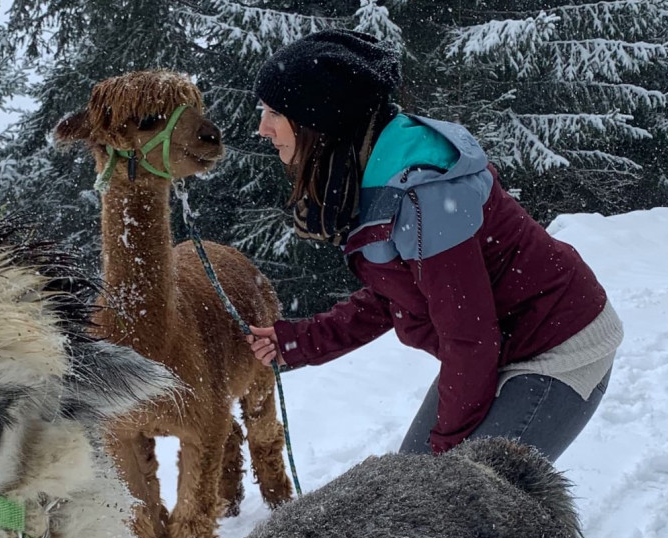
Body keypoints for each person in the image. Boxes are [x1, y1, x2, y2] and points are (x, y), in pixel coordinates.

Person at [245, 29, 623, 460]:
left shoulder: (420, 193)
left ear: (321, 121)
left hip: (558, 349)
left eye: (274, 112)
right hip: (497, 346)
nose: (262, 128)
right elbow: (396, 295)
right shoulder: (375, 174)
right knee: (414, 491)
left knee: (455, 508)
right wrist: (300, 340)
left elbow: (470, 335)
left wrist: (444, 465)